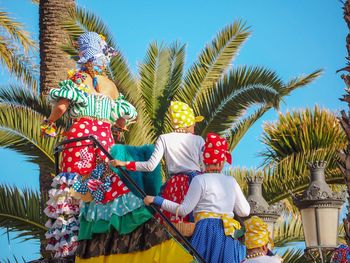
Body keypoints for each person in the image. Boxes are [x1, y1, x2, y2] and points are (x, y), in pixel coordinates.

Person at [43, 31, 137, 258]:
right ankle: (98, 239)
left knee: (73, 186)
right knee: (101, 185)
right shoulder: (111, 86)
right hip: (104, 138)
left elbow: (62, 107)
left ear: (83, 54)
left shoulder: (77, 80)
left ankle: (70, 245)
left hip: (80, 139)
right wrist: (118, 127)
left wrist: (49, 122)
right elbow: (122, 116)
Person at [144, 132, 251, 263]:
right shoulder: (231, 181)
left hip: (205, 232)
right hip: (227, 234)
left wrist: (156, 200)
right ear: (221, 163)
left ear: (204, 161)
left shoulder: (199, 180)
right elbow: (245, 211)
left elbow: (183, 210)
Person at [111, 101, 205, 222]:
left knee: (173, 223)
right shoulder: (198, 140)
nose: (194, 128)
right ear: (187, 124)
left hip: (174, 186)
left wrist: (125, 164)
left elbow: (150, 166)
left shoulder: (165, 138)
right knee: (196, 220)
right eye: (193, 125)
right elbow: (204, 167)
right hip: (196, 183)